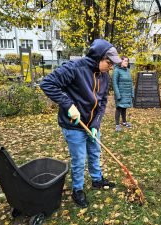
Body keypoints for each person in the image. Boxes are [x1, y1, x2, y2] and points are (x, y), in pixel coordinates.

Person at [40, 39, 122, 208]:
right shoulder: (74, 68)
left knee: (94, 152)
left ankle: (97, 179)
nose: (111, 67)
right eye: (109, 62)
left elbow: (103, 101)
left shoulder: (104, 76)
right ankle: (77, 189)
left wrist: (96, 124)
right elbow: (47, 83)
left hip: (91, 124)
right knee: (79, 159)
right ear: (98, 57)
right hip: (74, 125)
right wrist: (68, 105)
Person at [112, 56, 134, 132]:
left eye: (127, 61)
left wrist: (132, 93)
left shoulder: (128, 70)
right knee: (119, 108)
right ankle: (117, 125)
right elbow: (114, 83)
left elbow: (131, 83)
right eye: (125, 61)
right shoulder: (116, 70)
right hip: (120, 93)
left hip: (127, 93)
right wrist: (118, 95)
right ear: (120, 62)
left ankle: (124, 122)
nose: (126, 62)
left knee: (124, 108)